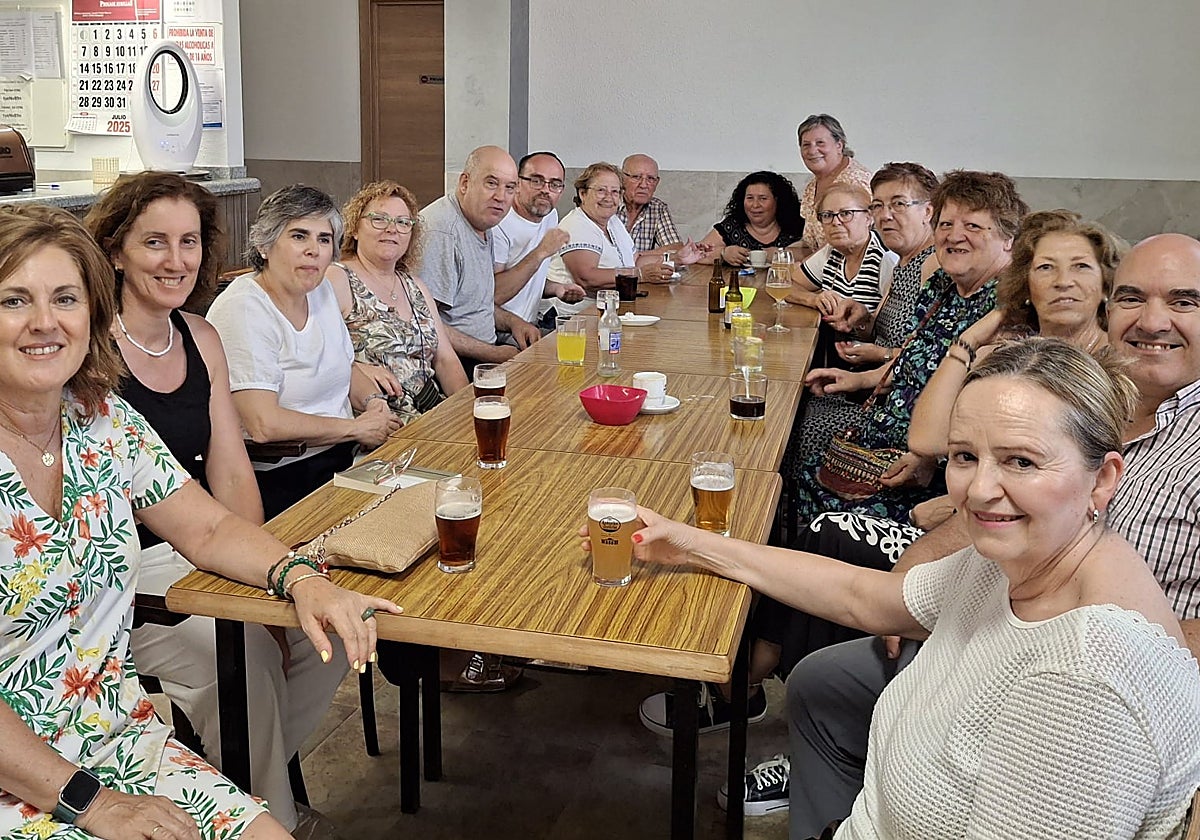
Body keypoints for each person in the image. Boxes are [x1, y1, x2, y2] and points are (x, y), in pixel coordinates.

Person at [610, 338, 1200, 840]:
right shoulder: (1020, 560)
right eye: (966, 456)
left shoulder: (1083, 685)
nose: (980, 489)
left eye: (1021, 461)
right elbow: (863, 598)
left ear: (1104, 480)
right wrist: (688, 543)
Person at [773, 233, 1200, 837]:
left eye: (1185, 301)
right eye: (1133, 297)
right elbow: (983, 505)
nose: (1152, 320)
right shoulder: (1077, 391)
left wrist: (1086, 636)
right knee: (822, 664)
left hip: (1050, 662)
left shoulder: (1091, 672)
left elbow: (1125, 655)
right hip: (992, 614)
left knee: (832, 534)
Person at [0, 203, 399, 840]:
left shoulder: (102, 421)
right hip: (33, 778)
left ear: (91, 313)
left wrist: (301, 578)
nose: (44, 323)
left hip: (118, 740)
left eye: (65, 299)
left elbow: (207, 527)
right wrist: (93, 805)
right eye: (15, 300)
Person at [638, 171, 1026, 742]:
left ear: (1009, 240)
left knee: (799, 492)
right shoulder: (945, 287)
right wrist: (859, 379)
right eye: (948, 223)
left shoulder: (1006, 312)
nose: (954, 234)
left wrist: (936, 470)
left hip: (922, 471)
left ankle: (769, 678)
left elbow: (984, 422)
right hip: (884, 432)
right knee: (776, 460)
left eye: (974, 225)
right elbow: (913, 361)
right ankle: (742, 653)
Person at [84, 172, 351, 836]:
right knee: (247, 659)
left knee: (335, 628)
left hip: (203, 539)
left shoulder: (200, 337)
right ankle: (275, 817)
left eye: (190, 241)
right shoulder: (84, 347)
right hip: (126, 571)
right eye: (155, 242)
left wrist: (257, 586)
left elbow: (231, 475)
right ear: (115, 250)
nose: (176, 260)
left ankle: (224, 784)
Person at [206, 185, 400, 519]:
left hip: (344, 457)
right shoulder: (243, 308)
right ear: (265, 245)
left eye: (324, 239)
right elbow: (263, 424)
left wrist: (373, 403)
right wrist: (355, 428)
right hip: (284, 476)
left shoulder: (321, 289)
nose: (314, 250)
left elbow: (343, 366)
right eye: (299, 236)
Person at [783, 165, 939, 470]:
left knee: (795, 423)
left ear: (928, 212)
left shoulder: (930, 266)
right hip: (872, 384)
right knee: (791, 406)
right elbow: (882, 333)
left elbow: (932, 359)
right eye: (878, 205)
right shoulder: (904, 264)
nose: (885, 214)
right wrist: (863, 320)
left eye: (898, 204)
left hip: (900, 410)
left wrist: (874, 361)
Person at [326, 180, 469, 426]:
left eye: (403, 223)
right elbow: (318, 355)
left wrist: (466, 413)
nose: (392, 229)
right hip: (377, 425)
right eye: (379, 219)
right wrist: (356, 369)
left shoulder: (415, 287)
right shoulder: (337, 278)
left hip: (431, 415)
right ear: (355, 229)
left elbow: (445, 360)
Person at [417, 145, 541, 370]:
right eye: (491, 183)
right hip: (452, 365)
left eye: (510, 187)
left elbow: (473, 305)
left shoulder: (483, 222)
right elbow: (424, 323)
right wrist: (493, 354)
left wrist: (514, 323)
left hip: (485, 351)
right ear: (465, 183)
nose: (501, 197)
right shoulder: (442, 232)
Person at [545, 162, 705, 302]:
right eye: (601, 190)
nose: (609, 197)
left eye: (615, 192)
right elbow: (587, 277)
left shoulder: (613, 222)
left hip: (610, 310)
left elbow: (634, 261)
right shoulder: (577, 224)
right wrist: (640, 275)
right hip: (575, 317)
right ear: (583, 193)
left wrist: (676, 259)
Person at [492, 151, 582, 330]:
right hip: (500, 332)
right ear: (518, 183)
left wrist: (557, 289)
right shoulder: (498, 222)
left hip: (531, 323)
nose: (545, 190)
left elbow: (527, 278)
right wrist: (541, 251)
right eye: (536, 180)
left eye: (555, 184)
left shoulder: (550, 215)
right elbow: (493, 295)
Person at [795, 114, 873, 257]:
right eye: (806, 145)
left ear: (839, 145)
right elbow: (810, 243)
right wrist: (779, 253)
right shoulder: (812, 185)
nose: (812, 151)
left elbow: (857, 243)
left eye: (820, 143)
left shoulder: (856, 181)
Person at [697, 171, 805, 266]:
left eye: (763, 198)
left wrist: (780, 254)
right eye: (749, 198)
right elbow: (696, 254)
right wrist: (723, 253)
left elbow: (815, 254)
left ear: (778, 201)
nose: (755, 205)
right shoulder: (732, 226)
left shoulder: (796, 226)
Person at [617, 154, 683, 254]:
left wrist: (636, 257)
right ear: (622, 179)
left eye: (651, 179)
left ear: (657, 183)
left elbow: (675, 248)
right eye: (636, 177)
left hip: (642, 269)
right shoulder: (608, 204)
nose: (643, 185)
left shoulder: (657, 208)